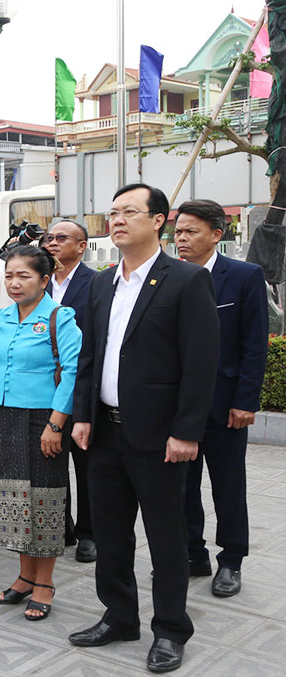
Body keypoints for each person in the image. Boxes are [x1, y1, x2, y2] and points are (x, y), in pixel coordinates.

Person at [68, 184, 219, 673]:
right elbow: (89, 357)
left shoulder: (186, 281)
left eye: (129, 211)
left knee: (166, 537)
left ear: (158, 220)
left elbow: (200, 364)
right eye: (112, 212)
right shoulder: (102, 282)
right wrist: (84, 415)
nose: (116, 220)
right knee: (111, 533)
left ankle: (171, 630)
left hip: (160, 438)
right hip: (106, 433)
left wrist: (186, 431)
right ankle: (119, 616)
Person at [0, 246, 82, 620]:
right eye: (9, 276)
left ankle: (44, 583)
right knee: (12, 501)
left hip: (43, 420)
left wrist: (57, 424)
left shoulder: (59, 317)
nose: (15, 283)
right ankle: (24, 576)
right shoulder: (2, 318)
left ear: (43, 278)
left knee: (44, 501)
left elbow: (71, 371)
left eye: (23, 276)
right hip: (4, 418)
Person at [174, 199, 268, 598]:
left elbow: (253, 345)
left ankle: (231, 560)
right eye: (177, 231)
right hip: (177, 407)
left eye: (190, 231)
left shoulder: (244, 276)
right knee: (181, 486)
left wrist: (245, 401)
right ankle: (193, 553)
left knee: (228, 485)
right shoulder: (167, 276)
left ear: (216, 234)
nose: (181, 239)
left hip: (225, 403)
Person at [44, 219, 99, 563]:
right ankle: (60, 523)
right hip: (43, 388)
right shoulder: (36, 282)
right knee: (50, 460)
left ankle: (89, 532)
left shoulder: (96, 283)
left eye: (61, 238)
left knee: (86, 463)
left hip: (80, 383)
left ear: (81, 246)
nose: (52, 243)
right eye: (48, 238)